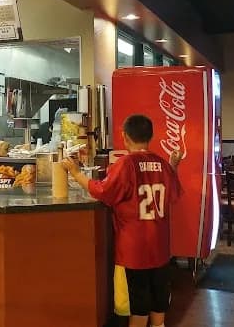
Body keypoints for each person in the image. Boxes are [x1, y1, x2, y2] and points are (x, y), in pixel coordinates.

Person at [64, 114, 182, 327]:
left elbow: (101, 191)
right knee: (158, 305)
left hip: (134, 251)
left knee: (138, 307)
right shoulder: (163, 164)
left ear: (125, 136)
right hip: (161, 249)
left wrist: (75, 172)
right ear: (151, 136)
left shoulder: (126, 164)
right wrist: (174, 165)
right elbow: (173, 191)